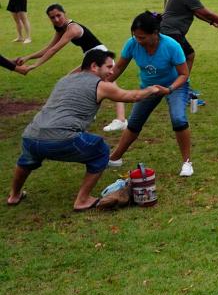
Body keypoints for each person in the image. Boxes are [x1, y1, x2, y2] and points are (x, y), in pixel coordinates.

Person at [8, 49, 165, 211]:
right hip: (61, 138)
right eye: (108, 67)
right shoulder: (101, 85)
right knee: (101, 150)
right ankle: (82, 200)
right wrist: (152, 90)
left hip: (31, 136)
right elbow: (132, 96)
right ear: (94, 67)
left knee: (26, 161)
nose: (112, 71)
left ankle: (14, 195)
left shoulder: (64, 80)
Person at [107, 12, 195, 177]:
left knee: (178, 118)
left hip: (174, 85)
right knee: (134, 122)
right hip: (149, 88)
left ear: (155, 33)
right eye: (136, 36)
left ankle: (187, 162)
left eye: (142, 37)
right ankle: (115, 158)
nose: (138, 41)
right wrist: (101, 83)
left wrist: (168, 89)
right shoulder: (132, 44)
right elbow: (118, 68)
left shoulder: (171, 46)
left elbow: (184, 74)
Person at [14, 3, 128, 131]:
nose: (56, 19)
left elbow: (54, 50)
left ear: (65, 13)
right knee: (76, 81)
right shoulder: (60, 28)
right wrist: (28, 57)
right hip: (91, 58)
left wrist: (35, 65)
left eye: (59, 15)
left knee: (107, 84)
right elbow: (49, 47)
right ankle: (90, 112)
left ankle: (121, 120)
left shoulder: (73, 29)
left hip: (100, 56)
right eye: (52, 17)